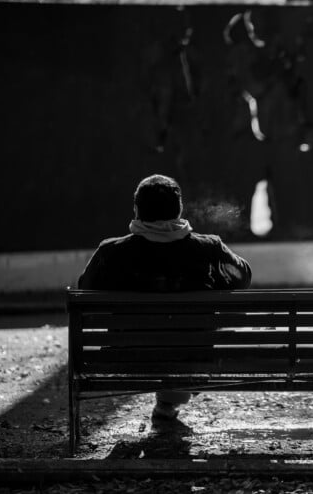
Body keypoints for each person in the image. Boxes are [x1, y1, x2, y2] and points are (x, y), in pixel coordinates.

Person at [78, 174, 252, 421]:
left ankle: (167, 401)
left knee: (161, 345)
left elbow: (85, 291)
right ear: (179, 209)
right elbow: (242, 278)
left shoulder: (111, 252)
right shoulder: (209, 248)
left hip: (128, 357)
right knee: (182, 344)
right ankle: (169, 400)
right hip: (195, 355)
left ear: (137, 210)